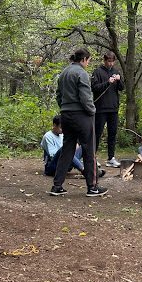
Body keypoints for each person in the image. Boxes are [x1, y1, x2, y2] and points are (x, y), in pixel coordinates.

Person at [49, 48, 107, 197]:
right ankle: (92, 187)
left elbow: (59, 95)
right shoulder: (81, 73)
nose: (88, 63)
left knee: (67, 150)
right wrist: (92, 111)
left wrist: (64, 108)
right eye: (88, 61)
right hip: (81, 116)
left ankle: (57, 186)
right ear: (84, 59)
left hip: (66, 115)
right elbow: (86, 97)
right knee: (89, 150)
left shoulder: (64, 73)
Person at [91, 51, 124, 168]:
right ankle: (93, 157)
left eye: (112, 61)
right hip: (100, 108)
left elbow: (122, 88)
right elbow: (94, 88)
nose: (110, 64)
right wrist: (107, 82)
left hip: (113, 108)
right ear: (104, 61)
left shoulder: (116, 71)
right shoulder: (97, 72)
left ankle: (111, 158)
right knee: (97, 133)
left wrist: (119, 80)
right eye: (108, 61)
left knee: (112, 133)